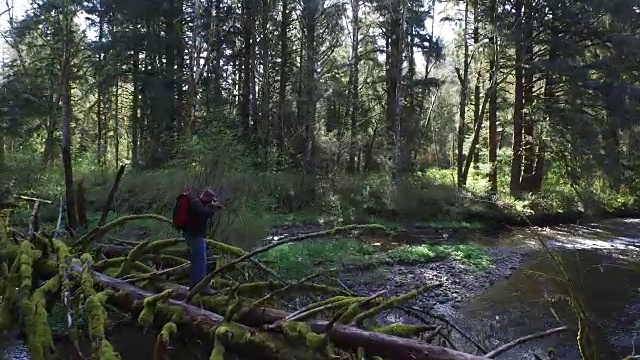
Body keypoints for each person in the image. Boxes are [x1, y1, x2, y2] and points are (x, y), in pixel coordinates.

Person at [183, 189, 222, 295]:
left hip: (196, 236)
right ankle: (201, 288)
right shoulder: (196, 202)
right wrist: (212, 208)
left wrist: (211, 208)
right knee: (200, 262)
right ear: (207, 198)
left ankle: (195, 286)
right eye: (211, 200)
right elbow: (203, 214)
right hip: (194, 236)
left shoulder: (199, 204)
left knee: (198, 261)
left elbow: (203, 217)